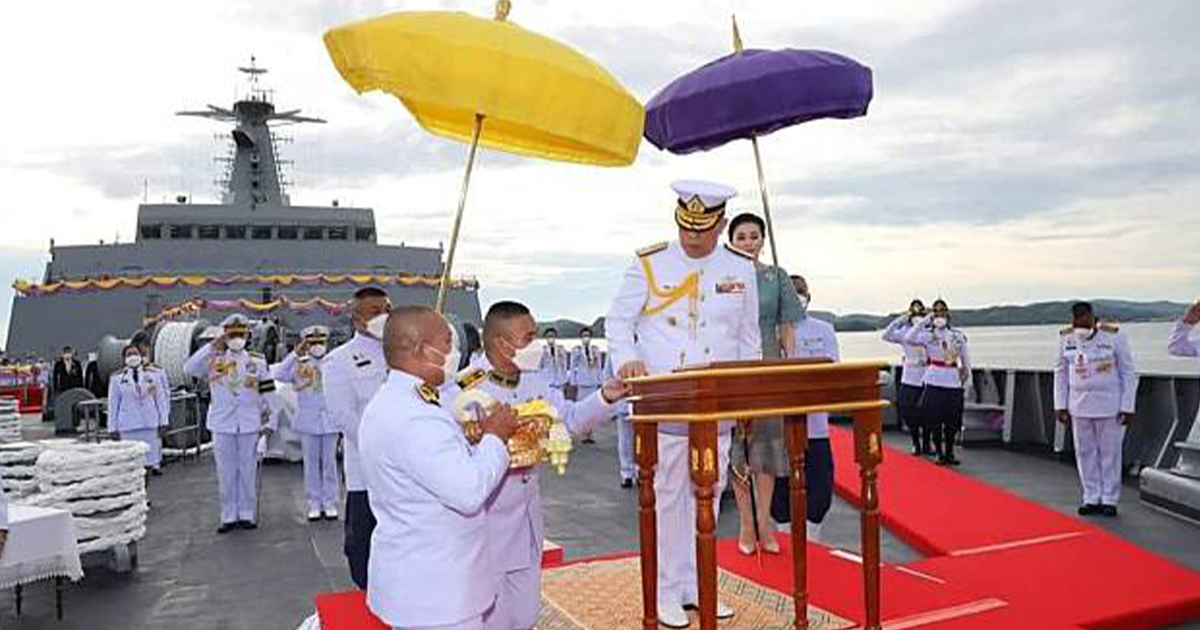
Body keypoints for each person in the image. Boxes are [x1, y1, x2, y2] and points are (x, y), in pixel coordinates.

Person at [606, 179, 761, 628]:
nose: (692, 238)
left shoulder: (740, 266)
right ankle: (666, 591)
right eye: (686, 228)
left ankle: (697, 583)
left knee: (708, 493)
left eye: (703, 229)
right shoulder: (649, 263)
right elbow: (618, 321)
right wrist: (628, 359)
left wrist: (749, 389)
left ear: (721, 224)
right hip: (666, 399)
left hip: (718, 402)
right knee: (668, 496)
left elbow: (747, 335)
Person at [444, 301, 627, 630]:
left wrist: (606, 397)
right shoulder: (462, 390)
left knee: (525, 617)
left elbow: (568, 421)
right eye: (528, 337)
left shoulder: (534, 381)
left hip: (527, 524)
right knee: (492, 620)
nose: (536, 345)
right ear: (502, 343)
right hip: (485, 527)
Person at [359, 305, 520, 630]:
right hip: (440, 595)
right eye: (447, 344)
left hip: (417, 582)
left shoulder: (394, 401)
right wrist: (494, 437)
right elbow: (469, 491)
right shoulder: (415, 416)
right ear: (421, 350)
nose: (453, 353)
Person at [725, 212, 803, 556]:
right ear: (731, 240)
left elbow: (788, 323)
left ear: (763, 239)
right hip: (732, 366)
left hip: (769, 363)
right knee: (738, 448)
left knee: (768, 448)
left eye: (754, 236)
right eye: (741, 236)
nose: (748, 242)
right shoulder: (722, 277)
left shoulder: (776, 277)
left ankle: (766, 522)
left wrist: (789, 363)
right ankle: (745, 524)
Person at [323, 286, 391, 589]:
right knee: (364, 546)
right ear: (356, 318)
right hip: (367, 470)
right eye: (375, 312)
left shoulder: (404, 353)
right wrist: (383, 445)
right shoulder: (340, 360)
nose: (383, 316)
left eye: (387, 310)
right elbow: (343, 415)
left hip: (409, 471)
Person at [184, 314, 276, 533]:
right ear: (225, 334)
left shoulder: (257, 361)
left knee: (247, 470)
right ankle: (228, 515)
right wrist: (213, 346)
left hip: (249, 423)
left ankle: (246, 514)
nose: (236, 338)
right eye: (231, 334)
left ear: (246, 335)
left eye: (240, 333)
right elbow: (188, 369)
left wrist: (270, 422)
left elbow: (268, 393)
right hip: (222, 423)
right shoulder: (213, 359)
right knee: (226, 472)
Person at [1054, 302, 1137, 517]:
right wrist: (1060, 405)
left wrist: (1128, 406)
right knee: (1085, 453)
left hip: (1109, 405)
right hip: (1079, 405)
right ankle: (1091, 497)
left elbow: (1128, 372)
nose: (1080, 327)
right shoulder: (1067, 337)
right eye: (1076, 322)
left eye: (1084, 322)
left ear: (1093, 318)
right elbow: (1061, 372)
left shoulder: (1114, 336)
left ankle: (1109, 498)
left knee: (1109, 454)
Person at [788, 275, 840, 541]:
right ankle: (784, 534)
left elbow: (833, 370)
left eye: (800, 292)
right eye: (790, 292)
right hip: (781, 424)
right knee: (781, 488)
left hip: (816, 424)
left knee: (820, 485)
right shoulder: (772, 330)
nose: (796, 297)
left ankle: (812, 535)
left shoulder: (823, 329)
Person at [275, 325, 340, 521]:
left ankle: (329, 502)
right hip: (308, 421)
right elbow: (279, 375)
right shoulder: (298, 363)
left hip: (330, 421)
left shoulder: (334, 362)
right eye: (313, 342)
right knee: (310, 463)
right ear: (307, 344)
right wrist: (295, 352)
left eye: (321, 342)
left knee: (329, 463)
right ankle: (313, 502)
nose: (317, 346)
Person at [904, 299, 971, 466]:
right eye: (936, 311)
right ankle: (939, 452)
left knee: (952, 420)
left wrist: (968, 382)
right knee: (934, 419)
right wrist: (926, 319)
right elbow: (909, 337)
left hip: (953, 380)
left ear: (948, 313)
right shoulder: (928, 335)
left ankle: (949, 452)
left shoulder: (957, 335)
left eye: (942, 311)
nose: (939, 314)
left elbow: (966, 360)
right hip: (934, 380)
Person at [108, 344, 171, 474]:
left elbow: (160, 400)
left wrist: (164, 421)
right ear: (124, 358)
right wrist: (112, 428)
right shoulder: (117, 378)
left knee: (150, 459)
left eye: (135, 353)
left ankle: (151, 472)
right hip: (128, 426)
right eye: (129, 354)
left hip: (149, 423)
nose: (132, 357)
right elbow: (113, 404)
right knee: (131, 464)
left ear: (141, 356)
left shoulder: (153, 375)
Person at [882, 300, 933, 456]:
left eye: (919, 312)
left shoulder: (929, 331)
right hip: (910, 377)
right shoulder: (905, 331)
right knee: (910, 412)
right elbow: (886, 334)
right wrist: (904, 317)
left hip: (927, 376)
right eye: (914, 312)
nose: (917, 315)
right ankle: (916, 443)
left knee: (928, 413)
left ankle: (926, 444)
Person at [568, 327, 606, 444]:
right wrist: (573, 381)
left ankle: (590, 434)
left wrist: (600, 381)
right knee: (582, 409)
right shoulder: (576, 350)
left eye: (588, 335)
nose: (586, 337)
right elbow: (572, 366)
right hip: (582, 382)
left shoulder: (595, 349)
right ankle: (583, 434)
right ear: (580, 337)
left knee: (593, 409)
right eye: (584, 335)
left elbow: (599, 365)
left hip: (593, 381)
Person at [608, 355, 636, 488]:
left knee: (642, 441)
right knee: (625, 441)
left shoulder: (645, 344)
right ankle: (626, 473)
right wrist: (610, 406)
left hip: (641, 403)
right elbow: (607, 378)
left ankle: (640, 471)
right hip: (623, 402)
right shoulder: (615, 352)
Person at [538, 328, 570, 395]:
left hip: (559, 383)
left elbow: (564, 366)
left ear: (555, 336)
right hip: (548, 383)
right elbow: (539, 367)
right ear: (546, 337)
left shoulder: (561, 349)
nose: (550, 337)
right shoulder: (542, 350)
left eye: (552, 335)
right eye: (548, 336)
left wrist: (565, 382)